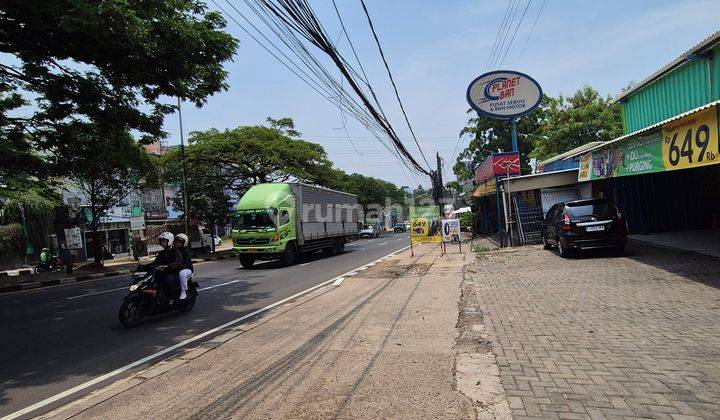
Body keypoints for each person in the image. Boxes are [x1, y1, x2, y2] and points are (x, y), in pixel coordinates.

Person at [149, 232, 182, 300]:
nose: (162, 242)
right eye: (161, 241)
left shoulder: (175, 251)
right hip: (163, 273)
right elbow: (155, 262)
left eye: (164, 241)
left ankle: (171, 298)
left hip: (173, 273)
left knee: (168, 280)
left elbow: (178, 263)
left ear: (169, 241)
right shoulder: (162, 252)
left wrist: (168, 266)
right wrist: (144, 266)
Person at [174, 233, 193, 300]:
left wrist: (179, 267)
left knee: (182, 273)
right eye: (176, 241)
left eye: (179, 242)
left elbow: (187, 264)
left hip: (187, 269)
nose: (177, 243)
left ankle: (184, 292)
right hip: (175, 269)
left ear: (184, 242)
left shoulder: (186, 252)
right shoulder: (173, 251)